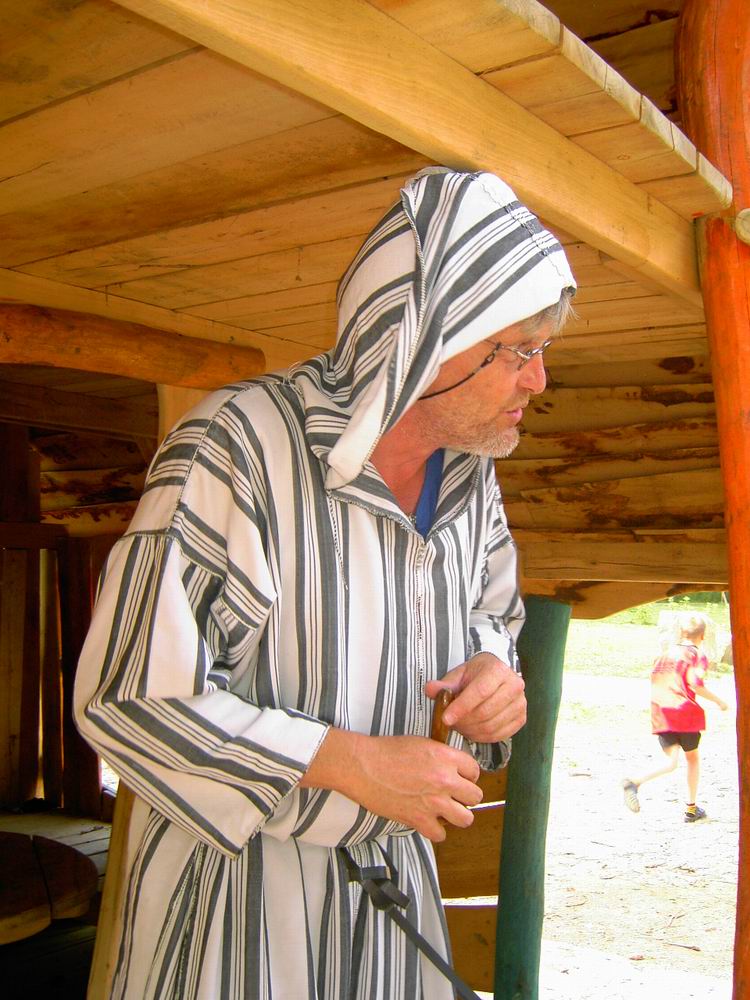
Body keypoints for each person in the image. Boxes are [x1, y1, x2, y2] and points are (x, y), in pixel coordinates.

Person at [74, 167, 576, 999]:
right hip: (235, 928)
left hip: (391, 927)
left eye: (542, 351)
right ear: (427, 337)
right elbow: (127, 698)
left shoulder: (470, 478)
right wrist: (343, 762)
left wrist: (495, 677)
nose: (538, 380)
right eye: (519, 351)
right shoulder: (236, 448)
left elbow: (493, 619)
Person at [622, 611, 729, 823]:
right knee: (692, 758)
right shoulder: (696, 655)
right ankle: (691, 808)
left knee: (670, 762)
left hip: (662, 712)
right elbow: (695, 683)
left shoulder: (665, 654)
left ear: (680, 632)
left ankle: (634, 781)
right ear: (703, 636)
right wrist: (719, 701)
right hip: (685, 713)